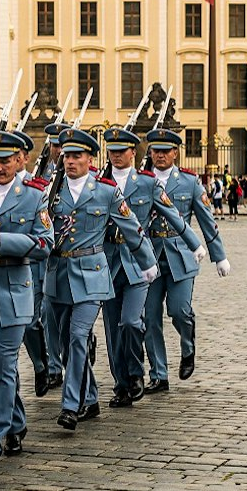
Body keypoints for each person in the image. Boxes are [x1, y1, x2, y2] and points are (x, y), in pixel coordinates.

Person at [47, 128, 157, 428]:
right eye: (67, 155)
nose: (70, 161)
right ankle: (91, 396)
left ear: (90, 158)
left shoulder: (106, 191)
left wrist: (147, 262)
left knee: (78, 336)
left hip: (92, 273)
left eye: (77, 156)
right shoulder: (50, 191)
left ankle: (70, 405)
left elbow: (132, 227)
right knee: (66, 343)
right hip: (58, 275)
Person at [0, 129, 51, 472]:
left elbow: (45, 244)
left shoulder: (34, 196)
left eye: (5, 161)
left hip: (16, 292)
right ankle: (15, 422)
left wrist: (2, 239)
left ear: (22, 160)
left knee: (2, 367)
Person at [99, 125, 200, 407]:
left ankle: (137, 372)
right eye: (112, 151)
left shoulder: (147, 183)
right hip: (108, 263)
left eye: (122, 151)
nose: (116, 156)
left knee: (139, 321)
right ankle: (133, 381)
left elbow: (175, 215)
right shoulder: (99, 182)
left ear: (133, 152)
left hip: (142, 260)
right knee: (118, 329)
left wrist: (197, 245)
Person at [141, 127, 229, 391]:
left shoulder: (189, 182)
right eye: (156, 151)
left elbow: (206, 220)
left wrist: (219, 256)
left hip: (181, 254)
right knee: (150, 317)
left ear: (175, 153)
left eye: (165, 151)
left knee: (179, 310)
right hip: (151, 256)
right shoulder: (142, 180)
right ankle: (159, 373)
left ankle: (187, 345)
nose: (160, 155)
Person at [22, 122, 64, 397]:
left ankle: (56, 368)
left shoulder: (75, 176)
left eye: (61, 145)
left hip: (59, 257)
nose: (58, 151)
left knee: (52, 315)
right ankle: (41, 363)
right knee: (29, 319)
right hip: (35, 257)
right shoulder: (35, 177)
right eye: (54, 145)